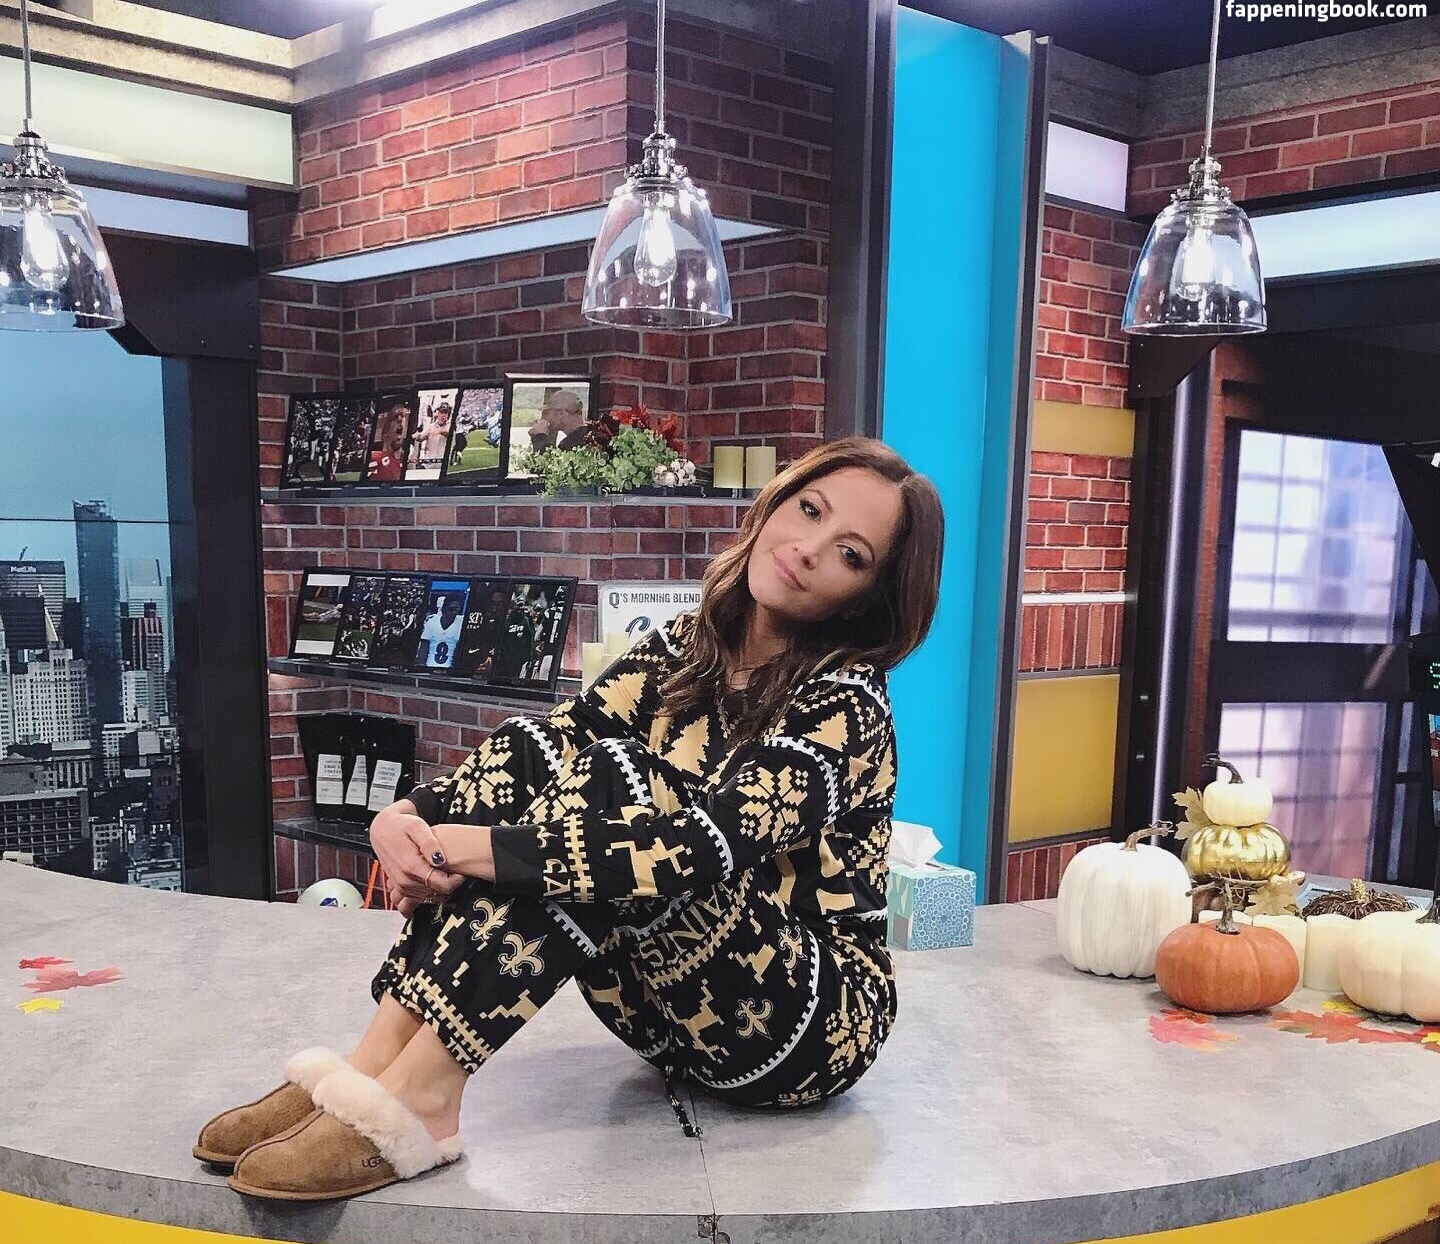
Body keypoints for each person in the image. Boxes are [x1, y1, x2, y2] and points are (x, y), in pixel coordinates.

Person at [195, 436, 944, 1201]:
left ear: (867, 597)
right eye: (809, 510)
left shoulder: (846, 704)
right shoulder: (692, 644)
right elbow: (559, 736)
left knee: (614, 783)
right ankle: (370, 1067)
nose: (809, 548)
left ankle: (425, 1097)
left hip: (802, 1024)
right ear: (776, 502)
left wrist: (475, 850)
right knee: (552, 751)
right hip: (661, 1011)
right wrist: (413, 814)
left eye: (849, 553)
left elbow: (699, 848)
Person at [528, 388, 588, 452]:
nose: (545, 418)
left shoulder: (570, 444)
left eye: (547, 413)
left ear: (561, 413)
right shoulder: (586, 436)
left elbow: (544, 458)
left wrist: (539, 437)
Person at [417, 593, 464, 669]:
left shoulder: (461, 622)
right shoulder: (432, 622)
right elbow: (424, 647)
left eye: (457, 609)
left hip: (449, 668)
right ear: (444, 609)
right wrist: (421, 667)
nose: (454, 612)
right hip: (430, 666)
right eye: (451, 609)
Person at [367, 400, 410, 482]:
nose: (400, 420)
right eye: (395, 417)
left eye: (403, 416)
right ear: (384, 433)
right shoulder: (374, 457)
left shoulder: (405, 463)